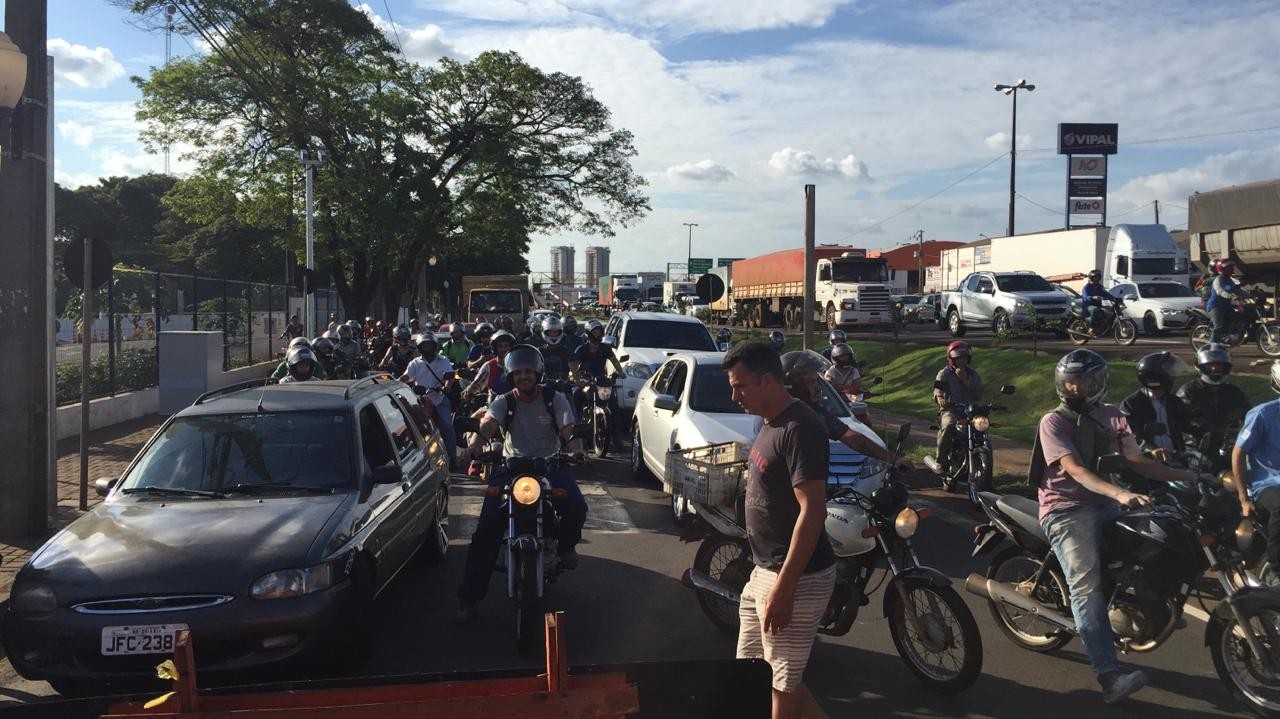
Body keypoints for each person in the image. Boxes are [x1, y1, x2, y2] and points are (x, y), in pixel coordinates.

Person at [1034, 349, 1196, 705]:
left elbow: (1138, 462)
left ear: (1099, 383)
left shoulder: (1113, 416)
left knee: (1163, 535)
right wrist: (1121, 493)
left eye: (1083, 382)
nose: (1076, 389)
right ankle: (1109, 677)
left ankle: (1152, 605)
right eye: (1070, 382)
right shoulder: (1054, 422)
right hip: (1067, 510)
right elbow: (1074, 470)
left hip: (1106, 502)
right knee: (1086, 590)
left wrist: (1190, 476)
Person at [723, 341, 836, 719]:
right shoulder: (770, 423)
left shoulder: (800, 428)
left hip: (798, 578)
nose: (733, 394)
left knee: (781, 686)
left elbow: (813, 511)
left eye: (740, 385)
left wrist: (785, 588)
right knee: (752, 673)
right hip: (764, 571)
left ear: (767, 380)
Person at [456, 345, 589, 624]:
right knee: (487, 529)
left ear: (538, 373)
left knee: (576, 506)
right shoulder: (504, 401)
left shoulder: (556, 399)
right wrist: (475, 447)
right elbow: (489, 425)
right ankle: (469, 599)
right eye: (519, 373)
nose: (524, 377)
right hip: (510, 467)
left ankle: (565, 547)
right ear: (511, 375)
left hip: (550, 465)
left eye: (529, 372)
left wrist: (577, 449)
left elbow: (568, 429)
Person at [782, 350, 913, 473]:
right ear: (793, 386)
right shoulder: (779, 418)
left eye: (817, 381)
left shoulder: (818, 414)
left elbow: (853, 439)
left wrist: (893, 459)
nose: (817, 387)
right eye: (811, 382)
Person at [1232, 360, 1280, 582]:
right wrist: (1244, 499)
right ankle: (1276, 570)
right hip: (1268, 484)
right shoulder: (1263, 414)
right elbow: (1238, 453)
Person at [1177, 343, 1253, 454]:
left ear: (1226, 366)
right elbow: (1186, 422)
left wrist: (1240, 415)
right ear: (1200, 366)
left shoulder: (1233, 391)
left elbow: (1251, 417)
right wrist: (1213, 430)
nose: (1215, 368)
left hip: (1230, 445)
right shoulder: (1188, 391)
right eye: (1210, 365)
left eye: (1219, 365)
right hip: (1196, 447)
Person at [400, 333, 458, 468]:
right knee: (411, 426)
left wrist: (447, 386)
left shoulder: (443, 360)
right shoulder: (415, 363)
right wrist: (397, 382)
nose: (427, 348)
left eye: (429, 345)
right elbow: (406, 376)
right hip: (421, 401)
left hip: (439, 399)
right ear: (420, 347)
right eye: (424, 346)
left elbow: (450, 376)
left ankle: (452, 457)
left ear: (435, 346)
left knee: (447, 425)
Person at [1119, 352, 1189, 461]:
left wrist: (1204, 429)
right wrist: (1151, 449)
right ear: (1158, 377)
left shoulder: (1174, 401)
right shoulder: (1131, 404)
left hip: (1176, 459)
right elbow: (1130, 435)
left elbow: (1187, 423)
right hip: (1146, 462)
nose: (1174, 376)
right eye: (1170, 373)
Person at [933, 341, 983, 474]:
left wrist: (965, 381)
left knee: (981, 427)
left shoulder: (973, 374)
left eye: (965, 357)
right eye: (958, 358)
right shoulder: (944, 373)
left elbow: (978, 394)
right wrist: (941, 399)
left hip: (969, 411)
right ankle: (941, 461)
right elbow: (937, 390)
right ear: (951, 359)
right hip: (951, 410)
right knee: (949, 425)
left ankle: (981, 459)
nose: (962, 361)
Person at [572, 320, 624, 429]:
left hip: (601, 381)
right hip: (586, 381)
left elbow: (614, 361)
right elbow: (574, 367)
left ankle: (616, 436)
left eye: (599, 332)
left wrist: (621, 372)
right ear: (589, 333)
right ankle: (575, 428)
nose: (597, 335)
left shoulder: (605, 348)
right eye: (595, 332)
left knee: (613, 403)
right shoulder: (581, 349)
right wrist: (577, 378)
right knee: (575, 396)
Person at [1208, 258, 1246, 343]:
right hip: (1216, 306)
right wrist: (1230, 296)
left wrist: (1248, 294)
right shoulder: (1218, 279)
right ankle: (1211, 347)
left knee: (1236, 319)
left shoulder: (1229, 280)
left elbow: (1236, 290)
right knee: (1218, 327)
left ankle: (1227, 337)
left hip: (1226, 306)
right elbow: (1220, 291)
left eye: (1232, 268)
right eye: (1230, 268)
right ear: (1222, 269)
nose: (1232, 270)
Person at [539, 317, 578, 383]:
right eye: (550, 332)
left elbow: (575, 372)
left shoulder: (566, 352)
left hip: (563, 387)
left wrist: (574, 379)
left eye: (555, 332)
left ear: (560, 332)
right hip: (542, 388)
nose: (553, 334)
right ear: (544, 332)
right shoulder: (539, 352)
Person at [1081, 269, 1119, 335]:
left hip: (1098, 305)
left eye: (1098, 277)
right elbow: (1086, 297)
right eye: (1096, 277)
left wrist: (1114, 298)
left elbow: (1105, 293)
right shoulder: (1086, 287)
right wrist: (1093, 297)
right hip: (1088, 306)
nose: (1097, 278)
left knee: (1107, 312)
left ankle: (1104, 328)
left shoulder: (1099, 286)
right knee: (1095, 310)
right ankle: (1091, 328)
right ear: (1092, 278)